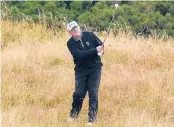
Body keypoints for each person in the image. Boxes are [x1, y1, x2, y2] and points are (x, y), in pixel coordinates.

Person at [66, 21, 104, 126]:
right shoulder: (70, 43)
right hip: (81, 71)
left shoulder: (89, 35)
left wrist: (101, 50)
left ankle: (91, 119)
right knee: (79, 94)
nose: (76, 30)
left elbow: (100, 44)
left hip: (95, 68)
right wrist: (95, 50)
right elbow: (79, 55)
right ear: (70, 33)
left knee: (93, 93)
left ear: (79, 27)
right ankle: (73, 115)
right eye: (73, 30)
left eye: (76, 28)